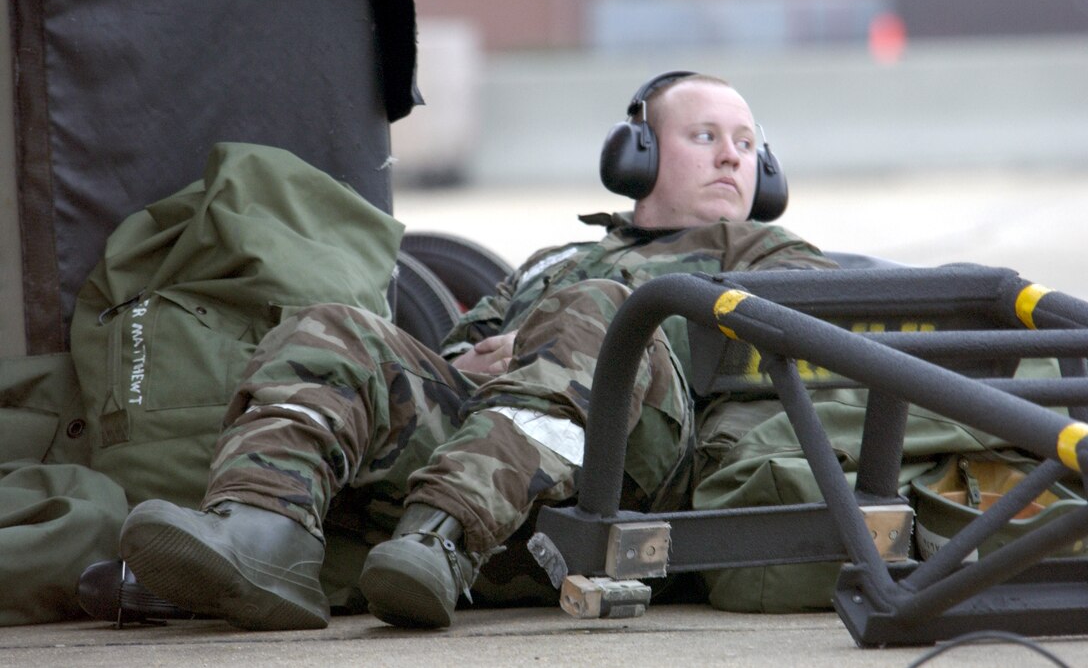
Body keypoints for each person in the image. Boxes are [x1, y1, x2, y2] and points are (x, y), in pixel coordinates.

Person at [114, 71, 837, 631]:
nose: (732, 158)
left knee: (600, 314)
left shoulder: (773, 254)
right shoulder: (552, 263)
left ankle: (444, 536)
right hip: (505, 478)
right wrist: (481, 359)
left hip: (634, 479)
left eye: (747, 144)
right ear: (637, 152)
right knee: (335, 327)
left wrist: (565, 335)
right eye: (705, 136)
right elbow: (455, 357)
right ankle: (262, 531)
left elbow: (805, 352)